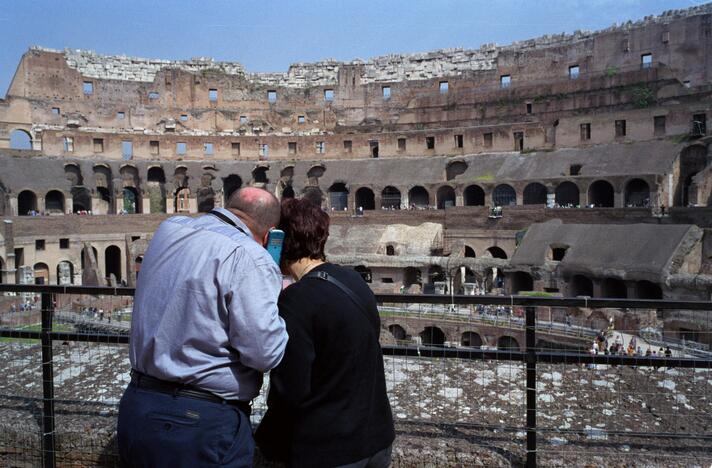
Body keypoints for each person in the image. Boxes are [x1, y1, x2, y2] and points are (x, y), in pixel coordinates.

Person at [117, 187, 288, 468]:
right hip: (201, 420)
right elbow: (264, 353)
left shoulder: (169, 230)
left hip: (138, 404)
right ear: (270, 235)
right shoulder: (250, 257)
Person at [256, 198, 395, 467]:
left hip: (331, 447)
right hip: (377, 439)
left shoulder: (296, 300)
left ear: (279, 239)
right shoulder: (352, 280)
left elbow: (290, 388)